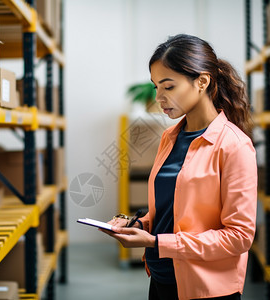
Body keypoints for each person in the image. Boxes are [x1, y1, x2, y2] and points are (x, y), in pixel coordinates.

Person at [101, 34, 257, 300]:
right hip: (162, 278)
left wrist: (156, 242)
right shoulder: (170, 137)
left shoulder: (234, 146)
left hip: (207, 290)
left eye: (168, 87)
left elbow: (239, 236)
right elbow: (173, 211)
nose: (159, 97)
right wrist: (139, 224)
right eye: (156, 87)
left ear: (202, 82)